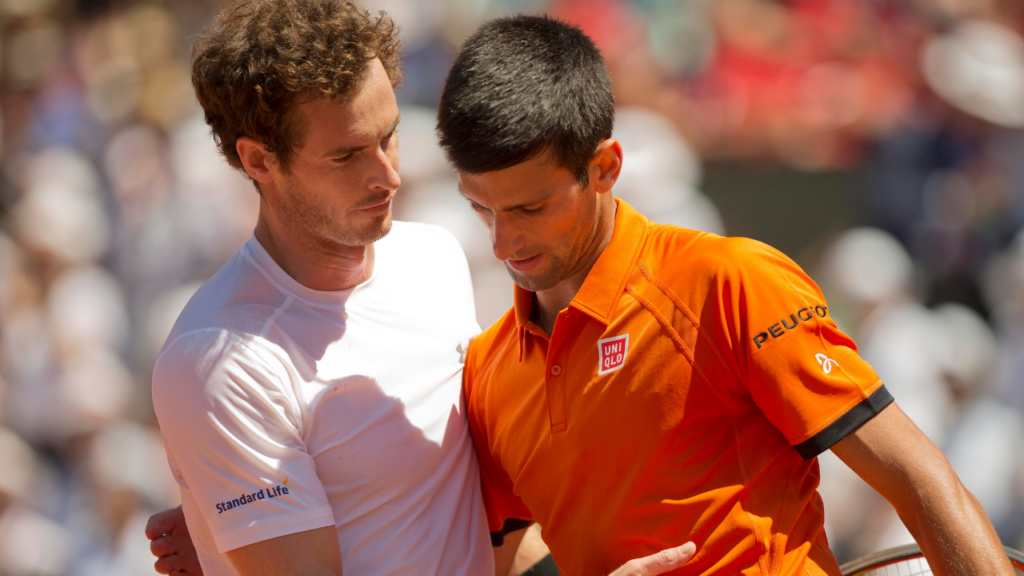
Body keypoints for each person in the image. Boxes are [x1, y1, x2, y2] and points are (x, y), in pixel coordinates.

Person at [437, 15, 1015, 576]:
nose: (501, 242)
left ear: (605, 168)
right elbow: (510, 550)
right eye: (480, 208)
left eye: (530, 208)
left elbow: (919, 480)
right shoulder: (487, 369)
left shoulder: (729, 282)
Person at [145, 2, 688, 575]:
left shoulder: (433, 257)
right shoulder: (216, 363)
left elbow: (465, 510)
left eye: (390, 135)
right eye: (348, 155)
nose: (389, 175)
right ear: (259, 160)